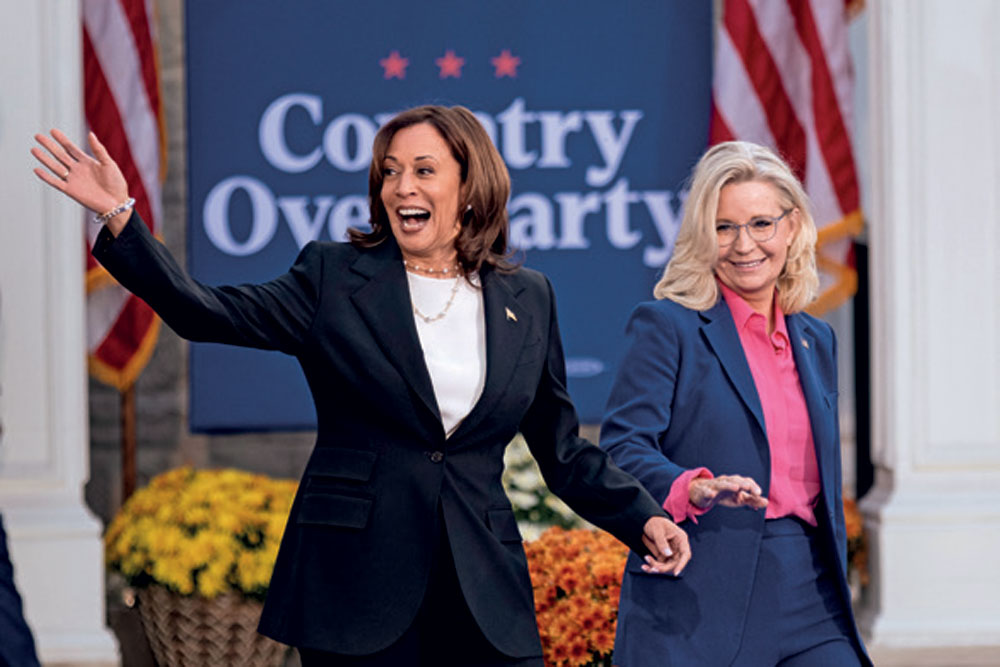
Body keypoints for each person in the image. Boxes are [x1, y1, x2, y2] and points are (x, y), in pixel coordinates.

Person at [31, 105, 690, 667]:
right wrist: (120, 218)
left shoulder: (528, 297)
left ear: (470, 187)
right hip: (356, 585)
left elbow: (563, 450)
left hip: (482, 589)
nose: (402, 186)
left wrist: (645, 518)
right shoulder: (333, 277)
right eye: (390, 172)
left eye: (424, 170)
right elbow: (204, 310)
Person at [600, 141, 871, 666]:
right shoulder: (668, 325)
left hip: (812, 590)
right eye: (724, 228)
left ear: (791, 228)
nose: (743, 244)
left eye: (761, 224)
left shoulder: (817, 339)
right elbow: (622, 447)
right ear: (703, 236)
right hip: (701, 588)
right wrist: (694, 487)